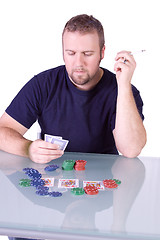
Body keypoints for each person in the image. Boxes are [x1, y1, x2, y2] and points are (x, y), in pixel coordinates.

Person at [0, 14, 146, 166]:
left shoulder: (124, 91)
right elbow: (3, 130)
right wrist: (27, 148)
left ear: (102, 53)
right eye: (71, 53)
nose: (78, 63)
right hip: (53, 176)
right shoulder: (43, 84)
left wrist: (123, 85)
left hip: (103, 179)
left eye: (87, 54)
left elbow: (131, 149)